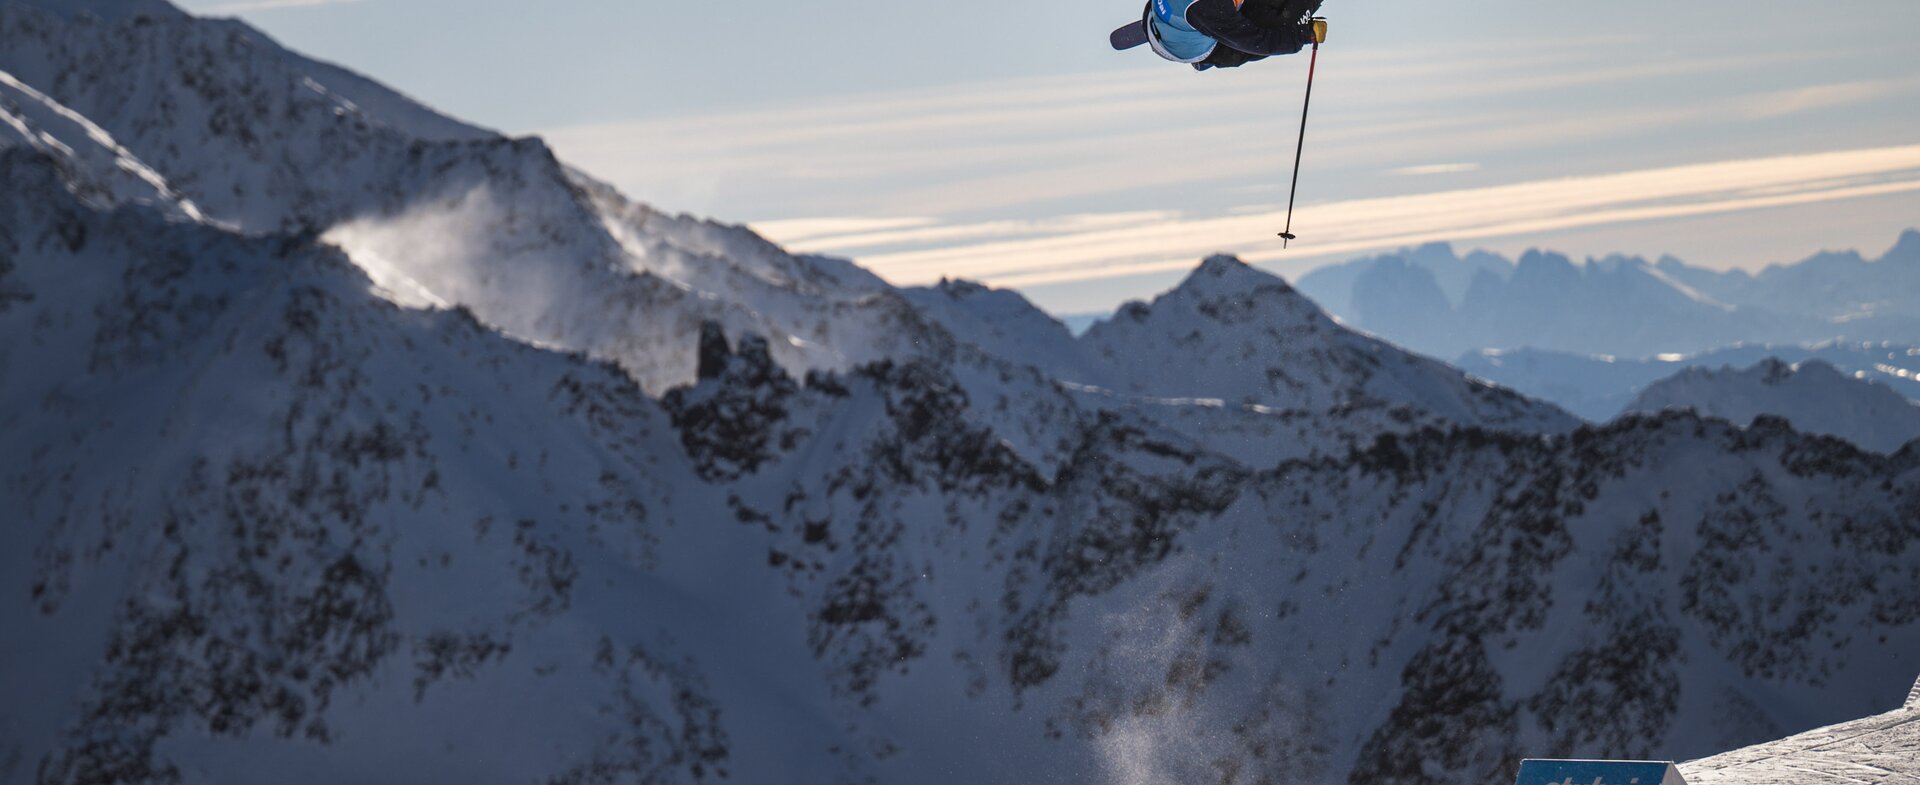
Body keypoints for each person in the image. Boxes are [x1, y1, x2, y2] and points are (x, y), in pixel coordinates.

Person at [1144, 0, 1325, 70]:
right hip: (1199, 45)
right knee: (1277, 19)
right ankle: (1209, 60)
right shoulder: (1209, 7)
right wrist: (1302, 34)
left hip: (1181, 15)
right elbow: (1258, 41)